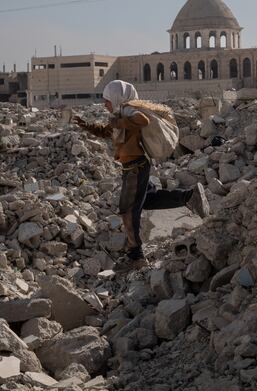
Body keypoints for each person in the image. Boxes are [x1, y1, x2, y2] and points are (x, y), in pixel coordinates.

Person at [73, 80, 209, 267]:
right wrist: (85, 125)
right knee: (147, 199)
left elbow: (142, 120)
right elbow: (107, 131)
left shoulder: (128, 110)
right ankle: (188, 197)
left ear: (117, 97)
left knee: (128, 210)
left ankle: (135, 256)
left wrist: (119, 122)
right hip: (134, 166)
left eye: (107, 100)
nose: (105, 104)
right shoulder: (120, 114)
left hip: (135, 167)